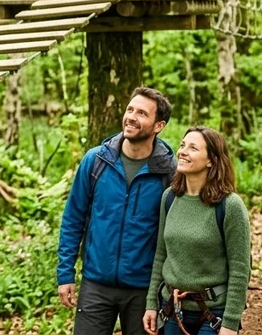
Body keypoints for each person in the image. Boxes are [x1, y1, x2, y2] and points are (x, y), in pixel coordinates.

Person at [57, 87, 177, 335]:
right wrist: (65, 273)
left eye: (142, 113)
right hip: (96, 284)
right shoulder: (96, 161)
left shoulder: (169, 172)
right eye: (130, 109)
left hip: (144, 291)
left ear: (159, 126)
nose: (131, 116)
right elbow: (73, 219)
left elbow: (175, 233)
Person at [143, 126, 250, 335]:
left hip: (213, 311)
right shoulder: (169, 198)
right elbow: (161, 255)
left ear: (211, 160)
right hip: (173, 308)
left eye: (193, 148)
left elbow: (240, 269)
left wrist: (230, 323)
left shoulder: (230, 205)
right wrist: (151, 304)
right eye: (183, 145)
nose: (183, 152)